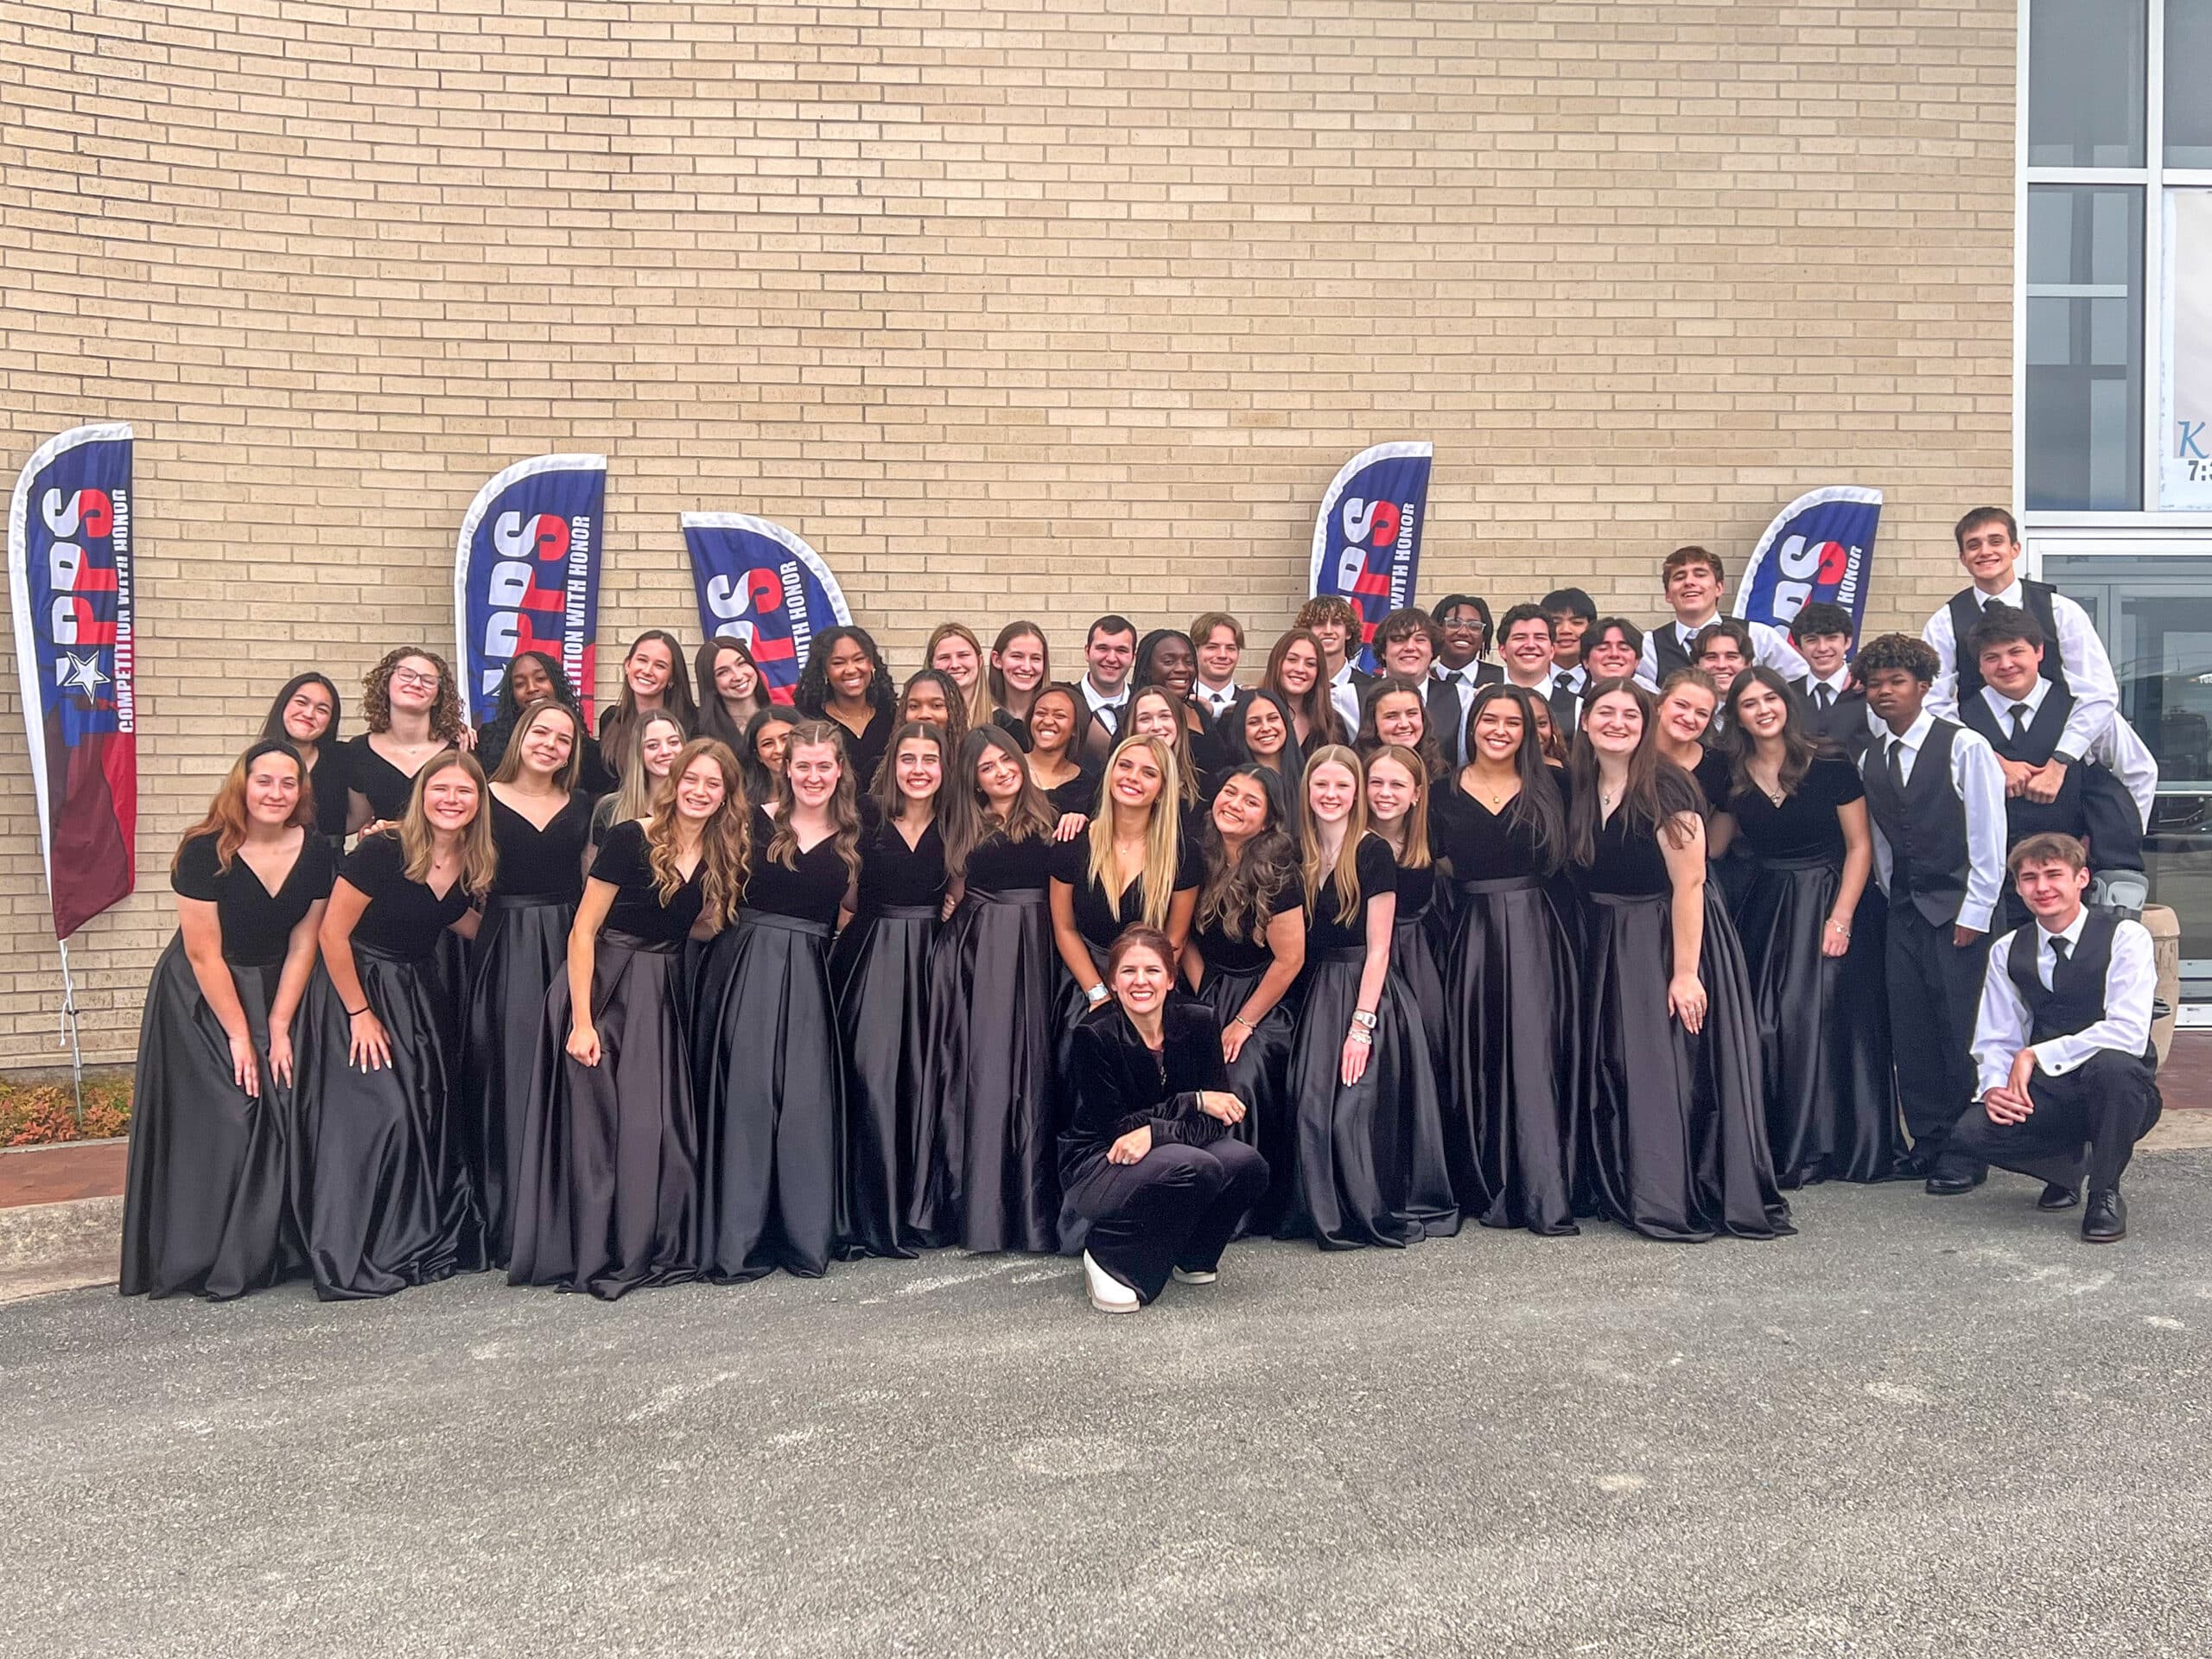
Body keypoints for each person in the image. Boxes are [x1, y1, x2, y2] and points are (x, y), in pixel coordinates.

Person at [509, 739, 748, 1298]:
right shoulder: (629, 838)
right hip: (605, 988)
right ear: (674, 780)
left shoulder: (720, 851)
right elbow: (583, 931)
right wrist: (582, 1021)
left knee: (657, 1128)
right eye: (691, 778)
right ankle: (597, 1249)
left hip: (662, 992)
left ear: (727, 795)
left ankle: (648, 1241)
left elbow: (698, 927)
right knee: (601, 1132)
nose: (699, 791)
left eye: (713, 784)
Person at [1568, 678, 1792, 1243]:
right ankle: (1621, 1181)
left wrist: (1686, 973)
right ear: (1586, 720)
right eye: (1606, 712)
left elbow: (1690, 883)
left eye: (1631, 715)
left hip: (1664, 935)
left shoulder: (1667, 786)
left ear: (1647, 725)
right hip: (1605, 938)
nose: (1617, 723)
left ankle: (1667, 1189)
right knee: (1616, 1063)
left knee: (1662, 1067)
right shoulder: (1581, 782)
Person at [122, 742, 334, 1300]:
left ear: (301, 792)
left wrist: (279, 1025)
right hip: (202, 992)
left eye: (288, 783)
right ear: (243, 784)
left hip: (277, 985)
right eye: (264, 781)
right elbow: (202, 954)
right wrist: (242, 1035)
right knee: (232, 1112)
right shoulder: (202, 849)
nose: (276, 793)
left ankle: (273, 1251)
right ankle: (204, 1253)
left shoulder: (317, 852)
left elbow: (305, 942)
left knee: (284, 1101)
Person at [296, 753, 494, 1298]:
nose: (451, 800)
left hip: (415, 993)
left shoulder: (469, 859)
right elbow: (331, 935)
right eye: (441, 789)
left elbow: (457, 918)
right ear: (421, 794)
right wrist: (359, 1014)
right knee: (383, 1115)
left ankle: (408, 1239)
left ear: (479, 803)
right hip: (357, 988)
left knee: (426, 1112)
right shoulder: (383, 849)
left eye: (465, 792)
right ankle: (357, 1248)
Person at [1709, 669, 1896, 1186]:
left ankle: (1837, 1146)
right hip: (1769, 906)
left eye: (1770, 698)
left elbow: (1859, 846)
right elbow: (1714, 846)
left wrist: (1842, 917)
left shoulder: (1830, 761)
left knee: (1830, 1019)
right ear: (1737, 716)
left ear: (1786, 703)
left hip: (1831, 898)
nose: (1763, 710)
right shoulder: (1731, 773)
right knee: (1770, 1023)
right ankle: (1784, 1142)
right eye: (1750, 703)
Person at [694, 721, 859, 1281]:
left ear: (840, 770)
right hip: (747, 967)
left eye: (823, 766)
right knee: (747, 1098)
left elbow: (852, 910)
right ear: (785, 769)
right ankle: (740, 1240)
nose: (813, 776)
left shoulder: (853, 836)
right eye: (802, 765)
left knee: (805, 1103)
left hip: (811, 974)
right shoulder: (750, 821)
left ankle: (802, 1237)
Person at [1281, 745, 1458, 1249]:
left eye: (1342, 785)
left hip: (1368, 991)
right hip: (1320, 990)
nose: (1330, 794)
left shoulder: (1372, 851)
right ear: (1307, 791)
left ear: (1356, 792)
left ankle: (1365, 1206)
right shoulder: (1299, 851)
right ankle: (1322, 1208)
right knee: (1312, 1106)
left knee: (1352, 1108)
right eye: (1321, 784)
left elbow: (1380, 948)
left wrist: (1362, 1026)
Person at [1948, 834, 2161, 1243]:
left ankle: (2105, 1194)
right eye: (2029, 878)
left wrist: (2035, 1054)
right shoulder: (2008, 949)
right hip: (2053, 1091)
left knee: (2114, 1068)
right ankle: (2067, 1168)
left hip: (2120, 1089)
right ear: (2018, 887)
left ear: (2082, 879)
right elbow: (1997, 1036)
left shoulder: (2126, 937)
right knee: (1973, 1130)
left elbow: (2129, 1031)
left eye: (2053, 875)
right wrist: (1994, 1088)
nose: (2042, 887)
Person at [1854, 632, 2010, 1193]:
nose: (1884, 692)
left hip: (1961, 909)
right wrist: (1893, 893)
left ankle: (1969, 1148)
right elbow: (1883, 841)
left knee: (1962, 1029)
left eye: (1896, 682)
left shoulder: (1964, 745)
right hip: (1905, 910)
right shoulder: (1872, 757)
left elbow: (1988, 832)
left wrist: (1977, 908)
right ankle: (1928, 1138)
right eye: (1875, 684)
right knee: (1912, 1028)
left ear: (1923, 686)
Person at [1430, 685, 1580, 1236]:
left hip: (1540, 930)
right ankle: (1486, 1182)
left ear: (1529, 732)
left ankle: (1544, 1186)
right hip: (1473, 934)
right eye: (1489, 719)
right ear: (1471, 725)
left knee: (1537, 1054)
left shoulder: (1556, 784)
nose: (1499, 731)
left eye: (1513, 723)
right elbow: (1433, 861)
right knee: (1481, 1052)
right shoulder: (1441, 791)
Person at [911, 726, 1065, 1254]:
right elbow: (957, 889)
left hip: (1037, 945)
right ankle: (979, 1209)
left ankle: (1030, 1211)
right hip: (978, 951)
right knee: (982, 1072)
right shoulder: (963, 825)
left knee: (1035, 1069)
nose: (1001, 772)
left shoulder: (1056, 818)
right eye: (987, 768)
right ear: (974, 780)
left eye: (1006, 760)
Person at [1059, 928, 1270, 1313]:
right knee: (1195, 1165)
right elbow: (1119, 1133)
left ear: (1171, 979)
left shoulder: (1200, 1020)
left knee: (1247, 1164)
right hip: (1098, 1162)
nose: (1140, 981)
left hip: (1171, 1149)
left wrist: (1154, 1132)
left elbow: (1218, 1120)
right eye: (1128, 971)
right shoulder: (1093, 1035)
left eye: (1152, 971)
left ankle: (1191, 1253)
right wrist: (1193, 1102)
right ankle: (1108, 1254)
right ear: (1113, 982)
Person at [461, 700, 591, 1267]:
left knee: (567, 1076)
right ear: (521, 735)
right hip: (507, 947)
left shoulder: (582, 805)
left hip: (565, 942)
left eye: (563, 739)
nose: (550, 745)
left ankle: (565, 1214)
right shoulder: (482, 798)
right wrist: (490, 932)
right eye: (541, 732)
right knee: (511, 1073)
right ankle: (512, 1217)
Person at [829, 721, 952, 1260]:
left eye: (929, 759)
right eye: (908, 759)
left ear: (944, 767)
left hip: (933, 961)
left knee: (925, 1083)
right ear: (892, 765)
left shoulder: (958, 823)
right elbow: (846, 895)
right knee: (872, 1078)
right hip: (872, 957)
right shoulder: (866, 819)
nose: (918, 769)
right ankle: (870, 1212)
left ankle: (920, 1210)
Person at [1955, 602, 2155, 925]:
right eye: (1992, 657)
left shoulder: (2084, 712)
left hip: (2071, 883)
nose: (2005, 665)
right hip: (1993, 886)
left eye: (2015, 652)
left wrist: (2113, 836)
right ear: (1979, 666)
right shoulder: (1960, 719)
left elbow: (2139, 771)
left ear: (2039, 652)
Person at [1182, 765, 1306, 1235]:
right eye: (1229, 792)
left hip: (1263, 999)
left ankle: (1235, 1207)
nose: (1234, 804)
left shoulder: (1278, 873)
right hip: (1209, 989)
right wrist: (1206, 996)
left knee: (1238, 1076)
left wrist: (1243, 1022)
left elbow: (1289, 960)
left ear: (1268, 820)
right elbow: (1183, 936)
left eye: (1250, 801)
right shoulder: (1198, 855)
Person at [1923, 508, 2120, 779]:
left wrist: (2060, 761)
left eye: (1995, 541)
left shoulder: (2061, 611)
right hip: (1982, 770)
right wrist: (1988, 760)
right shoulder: (1944, 623)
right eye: (1974, 545)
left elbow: (2098, 693)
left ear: (2015, 549)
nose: (1985, 551)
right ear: (1963, 558)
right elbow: (1932, 702)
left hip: (2062, 766)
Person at [1049, 736, 1201, 1036]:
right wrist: (1099, 994)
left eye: (1149, 773)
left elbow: (1176, 937)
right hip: (1084, 983)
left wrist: (1140, 990)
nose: (1133, 777)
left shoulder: (1183, 854)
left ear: (1162, 789)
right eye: (1125, 766)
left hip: (1149, 986)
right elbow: (1064, 928)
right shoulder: (1073, 844)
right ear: (1110, 773)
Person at [1365, 744, 1447, 1090]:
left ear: (1416, 794)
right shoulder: (1352, 841)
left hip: (1418, 954)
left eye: (1397, 785)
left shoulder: (1429, 835)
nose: (1385, 793)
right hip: (1366, 955)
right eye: (1376, 783)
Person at [1637, 544, 1807, 685]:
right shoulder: (1649, 647)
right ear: (1668, 594)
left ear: (1719, 588)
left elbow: (1801, 682)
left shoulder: (1758, 635)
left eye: (1700, 575)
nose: (1689, 582)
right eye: (1679, 577)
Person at [345, 646, 464, 830]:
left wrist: (400, 828)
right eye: (406, 675)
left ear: (437, 698)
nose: (416, 684)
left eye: (428, 681)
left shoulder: (460, 749)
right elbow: (358, 819)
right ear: (386, 684)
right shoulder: (359, 750)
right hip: (383, 847)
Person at [476, 650, 617, 796]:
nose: (531, 688)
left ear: (556, 684)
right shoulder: (490, 740)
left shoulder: (587, 751)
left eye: (541, 678)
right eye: (520, 684)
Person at [795, 623, 896, 786]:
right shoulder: (809, 720)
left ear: (872, 664)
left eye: (859, 659)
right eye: (838, 663)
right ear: (824, 671)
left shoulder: (891, 715)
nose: (850, 669)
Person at [258, 672, 351, 844]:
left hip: (328, 860)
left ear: (330, 721)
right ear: (283, 705)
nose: (309, 714)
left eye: (322, 710)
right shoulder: (256, 760)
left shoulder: (343, 759)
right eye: (301, 702)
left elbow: (358, 816)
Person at [597, 631, 697, 781]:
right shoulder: (611, 719)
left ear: (672, 678)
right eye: (642, 660)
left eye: (660, 666)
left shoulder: (693, 722)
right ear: (628, 665)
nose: (647, 671)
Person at [1786, 601, 1872, 763]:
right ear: (1798, 647)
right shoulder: (1786, 695)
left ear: (1847, 642)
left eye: (1831, 638)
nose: (1822, 648)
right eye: (1812, 640)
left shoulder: (1869, 690)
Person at [591, 710, 689, 852]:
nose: (665, 751)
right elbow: (592, 862)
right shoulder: (610, 809)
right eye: (652, 745)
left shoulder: (697, 807)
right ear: (638, 753)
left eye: (673, 742)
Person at [1496, 603, 1580, 740]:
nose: (1530, 645)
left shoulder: (1578, 707)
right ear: (1502, 650)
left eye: (1540, 638)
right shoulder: (1479, 701)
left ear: (1552, 651)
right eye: (1520, 637)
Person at [1259, 627, 1348, 752]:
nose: (1300, 669)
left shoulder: (1333, 723)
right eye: (1292, 660)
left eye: (1310, 664)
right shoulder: (1250, 715)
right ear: (1276, 662)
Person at [1127, 684, 1210, 813]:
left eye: (1164, 716)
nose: (1156, 726)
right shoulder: (1118, 776)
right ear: (1133, 727)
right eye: (1145, 719)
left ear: (1178, 722)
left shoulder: (1201, 781)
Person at [1220, 687, 1304, 812]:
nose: (1266, 728)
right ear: (1241, 730)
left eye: (1273, 718)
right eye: (1254, 722)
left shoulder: (1309, 777)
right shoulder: (1230, 783)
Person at [1024, 682, 1099, 817]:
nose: (1047, 721)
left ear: (1075, 728)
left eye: (1059, 716)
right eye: (1041, 713)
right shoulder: (1009, 768)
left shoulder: (1087, 785)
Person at [1297, 594, 1370, 731]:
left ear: (1348, 632)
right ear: (1308, 632)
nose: (1328, 631)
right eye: (1320, 624)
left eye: (1336, 623)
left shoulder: (1371, 689)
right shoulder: (1297, 687)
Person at [1355, 675, 1448, 782]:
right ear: (1373, 722)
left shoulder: (1440, 773)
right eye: (1392, 716)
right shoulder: (1355, 774)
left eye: (1412, 713)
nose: (1404, 724)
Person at [694, 635, 772, 754]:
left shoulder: (783, 720)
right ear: (710, 683)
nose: (738, 676)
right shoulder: (701, 736)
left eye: (741, 663)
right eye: (723, 672)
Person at [1077, 613, 1138, 753]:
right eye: (1103, 648)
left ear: (1133, 658)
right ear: (1087, 652)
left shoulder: (1144, 704)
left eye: (1121, 650)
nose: (1111, 658)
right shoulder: (1067, 703)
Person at [1132, 628, 1209, 741]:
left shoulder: (1197, 709)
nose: (1182, 669)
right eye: (1168, 661)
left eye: (1189, 662)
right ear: (1146, 669)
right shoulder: (1134, 715)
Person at [986, 620, 1051, 748]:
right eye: (1017, 656)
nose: (1026, 667)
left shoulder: (1055, 718)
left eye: (1035, 658)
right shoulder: (982, 716)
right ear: (997, 660)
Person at [926, 621, 996, 734]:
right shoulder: (919, 721)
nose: (955, 665)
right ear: (931, 665)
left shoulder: (1007, 725)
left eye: (963, 655)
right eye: (944, 657)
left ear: (980, 661)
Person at [894, 667, 971, 764]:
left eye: (937, 705)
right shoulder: (889, 767)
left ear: (954, 711)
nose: (924, 714)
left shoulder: (972, 764)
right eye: (914, 706)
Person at [1189, 610, 1245, 721]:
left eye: (1230, 648)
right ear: (1194, 650)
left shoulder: (1252, 703)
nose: (1223, 655)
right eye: (1212, 647)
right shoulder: (1180, 702)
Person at [1433, 594, 1500, 687]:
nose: (1463, 632)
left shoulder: (1503, 679)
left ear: (1483, 637)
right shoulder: (1420, 680)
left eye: (1474, 626)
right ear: (1437, 630)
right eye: (1454, 624)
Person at [1541, 588, 1598, 695]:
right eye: (1556, 623)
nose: (1566, 630)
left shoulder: (1603, 679)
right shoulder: (1529, 678)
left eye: (1577, 622)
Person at [739, 705, 796, 807]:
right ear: (758, 755)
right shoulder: (745, 806)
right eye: (768, 744)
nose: (779, 750)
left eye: (786, 739)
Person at [1691, 619, 1754, 709]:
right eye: (1711, 657)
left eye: (1731, 657)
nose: (1721, 665)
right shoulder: (1684, 713)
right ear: (1696, 666)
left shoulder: (1765, 711)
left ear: (1748, 664)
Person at [1583, 617, 1649, 689]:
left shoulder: (1653, 695)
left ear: (1637, 661)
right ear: (1586, 661)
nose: (1614, 654)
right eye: (1603, 648)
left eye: (1623, 648)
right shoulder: (1576, 696)